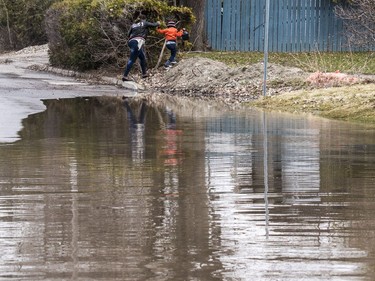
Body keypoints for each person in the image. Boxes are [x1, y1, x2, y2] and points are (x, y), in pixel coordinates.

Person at [122, 15, 160, 82]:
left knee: (142, 57)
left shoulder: (133, 25)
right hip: (137, 42)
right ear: (144, 19)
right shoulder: (144, 23)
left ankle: (144, 74)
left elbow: (128, 34)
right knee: (132, 59)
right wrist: (158, 23)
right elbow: (154, 25)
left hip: (131, 42)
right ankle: (125, 76)